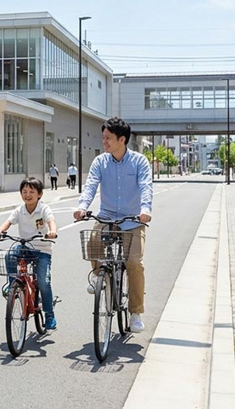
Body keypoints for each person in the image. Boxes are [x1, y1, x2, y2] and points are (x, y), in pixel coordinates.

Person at [74, 117, 152, 333]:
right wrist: (82, 206)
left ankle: (135, 313)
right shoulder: (100, 162)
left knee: (134, 262)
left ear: (122, 139)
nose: (104, 142)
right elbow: (90, 185)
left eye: (108, 138)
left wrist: (145, 210)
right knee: (92, 239)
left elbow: (146, 187)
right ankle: (100, 276)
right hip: (107, 216)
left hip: (133, 219)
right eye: (103, 138)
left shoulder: (139, 162)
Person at [0, 177, 59, 329]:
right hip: (25, 247)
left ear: (40, 194)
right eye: (24, 191)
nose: (27, 195)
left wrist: (52, 231)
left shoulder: (43, 209)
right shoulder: (20, 210)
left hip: (42, 250)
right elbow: (8, 222)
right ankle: (12, 284)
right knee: (10, 255)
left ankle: (49, 315)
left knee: (43, 283)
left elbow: (51, 222)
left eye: (31, 192)